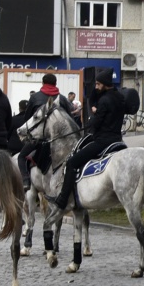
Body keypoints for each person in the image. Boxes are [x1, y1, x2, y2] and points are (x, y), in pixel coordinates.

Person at [54, 69, 127, 212]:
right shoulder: (119, 97)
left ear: (105, 84)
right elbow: (94, 97)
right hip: (117, 139)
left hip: (102, 141)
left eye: (98, 84)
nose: (96, 87)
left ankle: (63, 199)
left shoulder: (104, 101)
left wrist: (93, 115)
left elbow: (96, 123)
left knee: (72, 162)